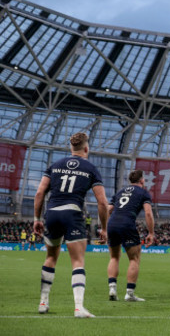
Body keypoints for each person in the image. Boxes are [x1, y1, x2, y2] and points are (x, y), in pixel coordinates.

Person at [33, 132, 109, 318]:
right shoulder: (90, 168)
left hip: (52, 214)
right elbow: (102, 202)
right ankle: (78, 308)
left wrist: (37, 219)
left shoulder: (55, 165)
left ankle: (43, 303)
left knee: (51, 257)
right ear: (86, 148)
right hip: (72, 214)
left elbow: (39, 193)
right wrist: (104, 227)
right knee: (77, 261)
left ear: (71, 148)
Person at [106, 170, 155, 302]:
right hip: (127, 223)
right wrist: (151, 233)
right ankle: (129, 293)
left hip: (112, 223)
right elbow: (148, 213)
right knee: (134, 259)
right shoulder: (144, 193)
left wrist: (104, 227)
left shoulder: (120, 192)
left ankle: (112, 289)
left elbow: (108, 209)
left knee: (114, 257)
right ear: (142, 180)